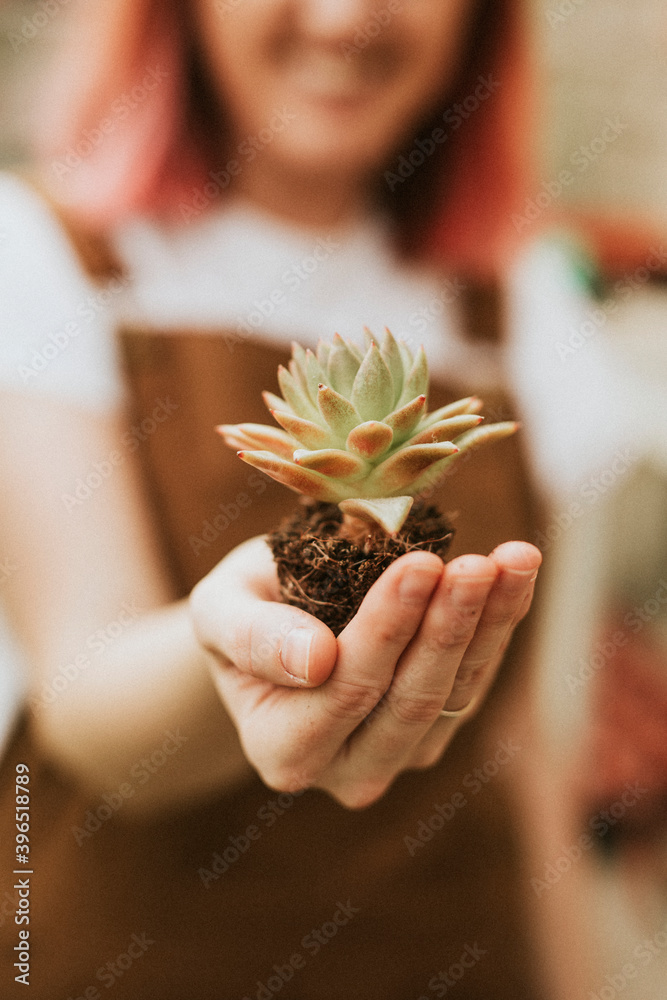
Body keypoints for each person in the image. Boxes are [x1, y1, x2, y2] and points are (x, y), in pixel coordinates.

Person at [0, 1, 627, 996]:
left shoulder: (520, 295)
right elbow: (83, 691)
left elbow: (523, 746)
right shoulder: (43, 251)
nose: (343, 19)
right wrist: (239, 639)